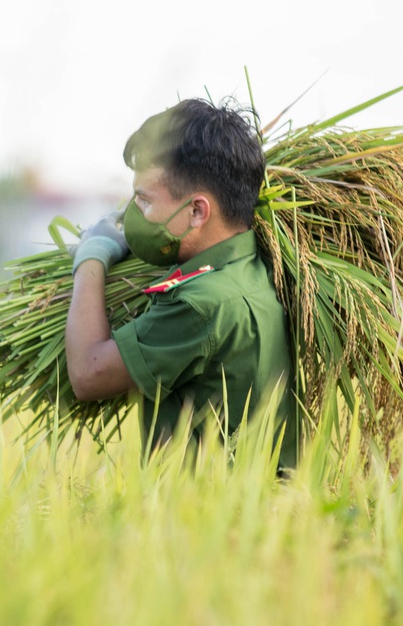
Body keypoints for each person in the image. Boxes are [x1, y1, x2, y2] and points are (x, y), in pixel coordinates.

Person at [64, 98, 298, 471]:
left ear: (197, 211)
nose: (134, 214)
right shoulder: (252, 268)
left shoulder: (202, 304)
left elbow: (88, 374)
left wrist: (91, 259)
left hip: (214, 521)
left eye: (144, 200)